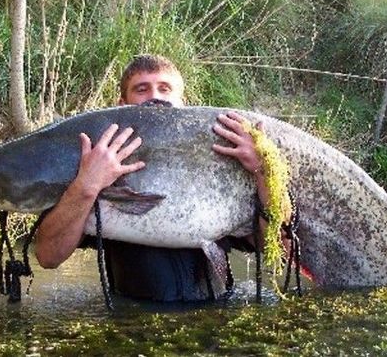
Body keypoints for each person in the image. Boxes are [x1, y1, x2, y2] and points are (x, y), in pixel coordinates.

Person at [35, 54, 269, 302]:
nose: (155, 97)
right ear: (121, 104)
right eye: (141, 89)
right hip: (132, 323)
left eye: (165, 88)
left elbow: (276, 245)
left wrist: (264, 171)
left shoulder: (226, 157)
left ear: (184, 103)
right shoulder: (92, 162)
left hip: (215, 320)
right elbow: (48, 256)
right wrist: (87, 184)